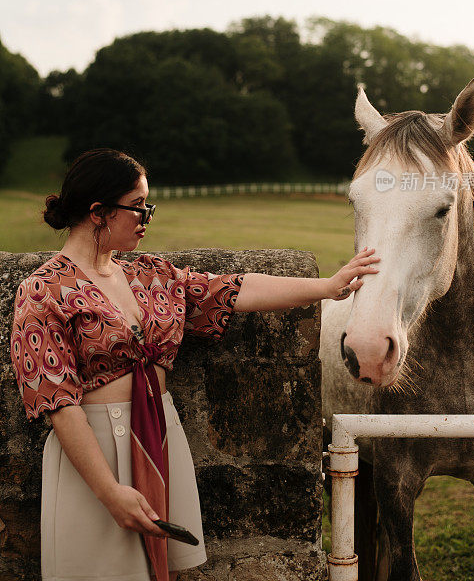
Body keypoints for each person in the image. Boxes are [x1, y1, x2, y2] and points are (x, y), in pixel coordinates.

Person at [10, 148, 380, 581]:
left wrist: (329, 286)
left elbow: (235, 290)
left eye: (149, 205)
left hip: (161, 435)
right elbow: (58, 404)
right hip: (94, 452)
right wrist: (109, 492)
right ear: (99, 212)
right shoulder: (41, 291)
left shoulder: (150, 275)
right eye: (138, 207)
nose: (148, 217)